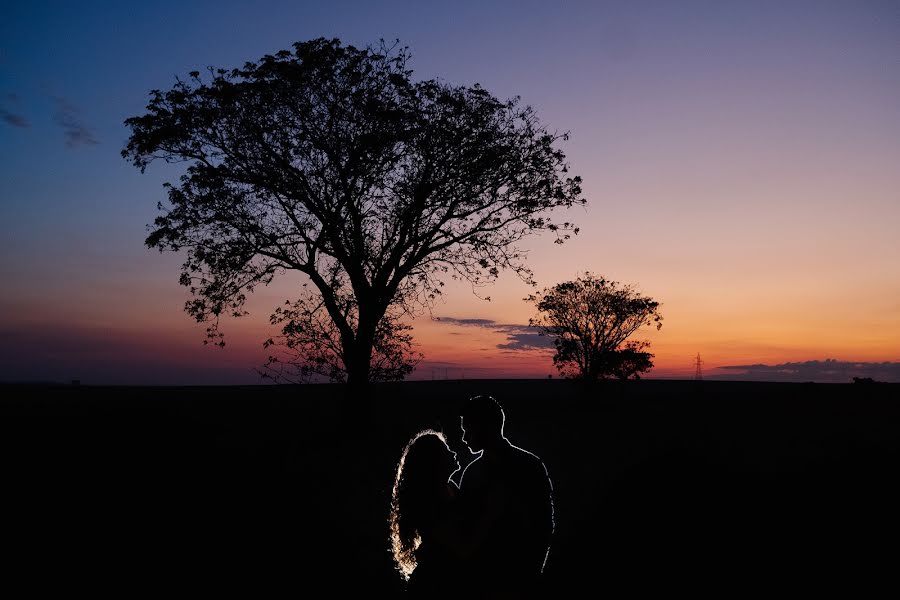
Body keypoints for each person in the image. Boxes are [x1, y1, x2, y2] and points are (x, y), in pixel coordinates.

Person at [457, 395, 554, 598]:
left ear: (486, 426)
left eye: (468, 429)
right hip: (482, 579)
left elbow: (543, 524)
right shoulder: (528, 464)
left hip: (517, 577)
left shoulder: (528, 467)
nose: (465, 438)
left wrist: (532, 570)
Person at [389, 429, 471, 597]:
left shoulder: (452, 488)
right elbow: (459, 546)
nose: (453, 452)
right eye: (446, 450)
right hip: (435, 584)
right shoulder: (428, 503)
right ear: (434, 461)